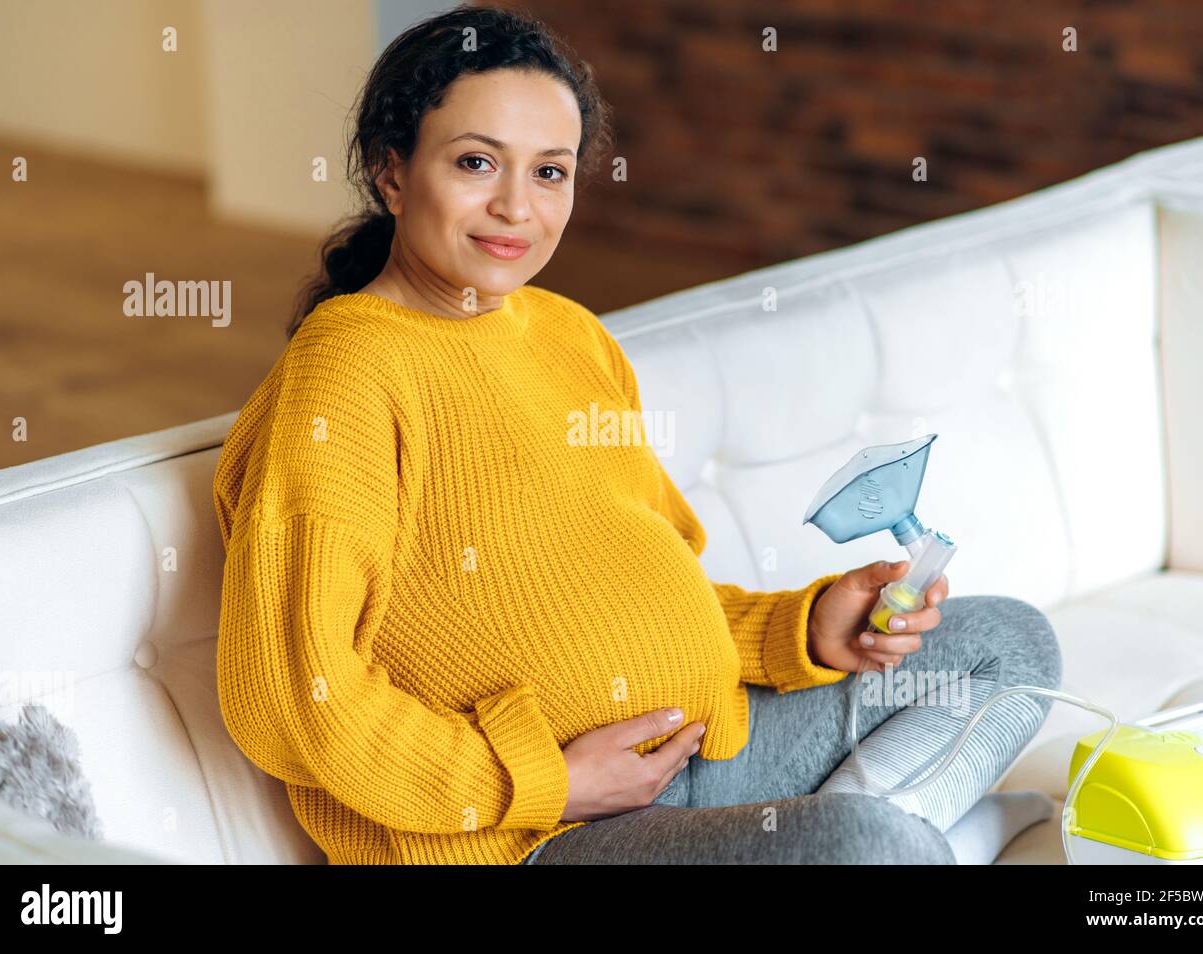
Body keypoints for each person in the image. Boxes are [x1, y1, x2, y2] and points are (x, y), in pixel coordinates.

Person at [212, 4, 1062, 866]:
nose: (515, 207)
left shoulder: (570, 333)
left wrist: (801, 631)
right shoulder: (345, 372)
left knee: (1009, 644)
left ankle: (906, 839)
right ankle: (907, 838)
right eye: (476, 163)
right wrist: (544, 781)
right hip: (546, 836)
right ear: (390, 172)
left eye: (550, 173)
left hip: (712, 757)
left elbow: (666, 590)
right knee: (861, 844)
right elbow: (295, 694)